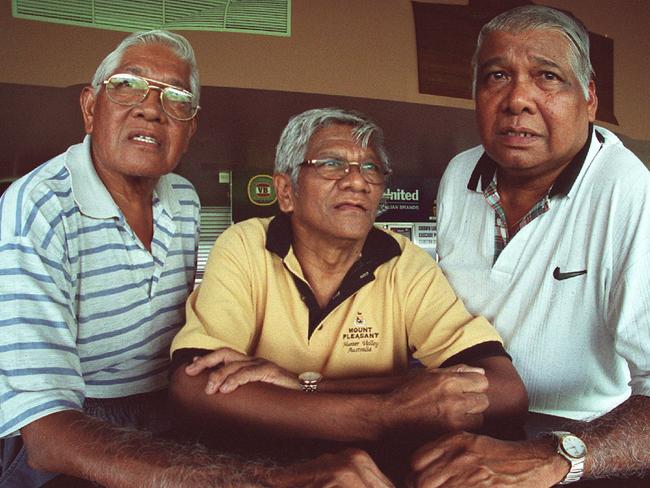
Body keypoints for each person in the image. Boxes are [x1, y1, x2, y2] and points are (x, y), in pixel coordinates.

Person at [0, 32, 389, 488]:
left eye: (176, 97)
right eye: (127, 85)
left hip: (168, 403)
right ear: (90, 108)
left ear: (190, 129)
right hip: (71, 424)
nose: (151, 107)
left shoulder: (183, 200)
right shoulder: (38, 208)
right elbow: (46, 430)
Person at [169, 108, 527, 458]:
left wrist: (306, 385)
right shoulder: (245, 245)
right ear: (286, 190)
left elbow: (505, 389)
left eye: (371, 167)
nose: (357, 181)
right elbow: (195, 385)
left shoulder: (404, 262)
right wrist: (383, 414)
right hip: (262, 465)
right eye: (330, 163)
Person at [413, 5, 650, 486]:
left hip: (584, 435)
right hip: (462, 418)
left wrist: (556, 457)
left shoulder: (628, 191)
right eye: (497, 75)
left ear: (588, 98)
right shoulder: (459, 173)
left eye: (547, 76)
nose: (517, 99)